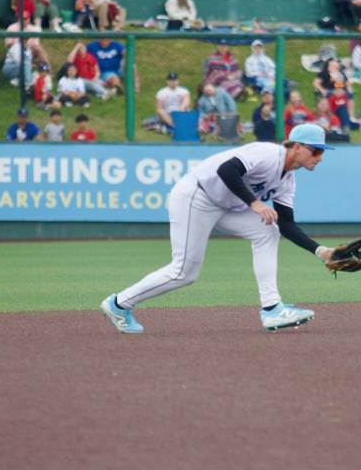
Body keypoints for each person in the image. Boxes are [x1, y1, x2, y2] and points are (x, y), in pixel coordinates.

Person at [100, 123, 340, 334]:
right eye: (316, 150)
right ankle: (119, 304)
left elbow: (286, 223)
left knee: (268, 231)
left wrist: (321, 252)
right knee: (184, 272)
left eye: (322, 152)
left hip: (226, 206)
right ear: (296, 146)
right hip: (196, 196)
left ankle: (272, 308)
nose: (320, 157)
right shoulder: (268, 153)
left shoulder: (288, 180)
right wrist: (254, 202)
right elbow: (226, 170)